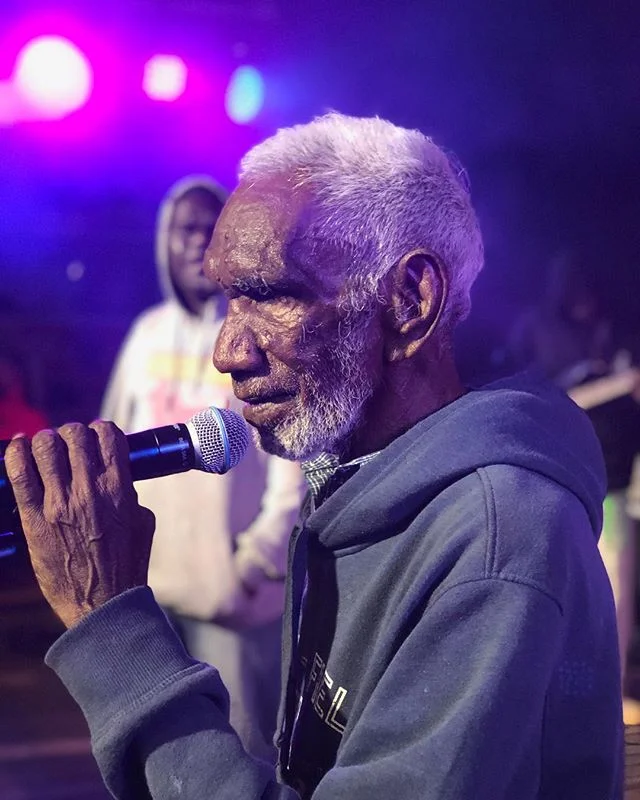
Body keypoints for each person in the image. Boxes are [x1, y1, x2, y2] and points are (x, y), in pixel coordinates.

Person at [5, 113, 623, 799]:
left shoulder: (497, 544)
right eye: (230, 298)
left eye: (270, 295)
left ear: (409, 300)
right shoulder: (355, 479)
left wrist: (112, 628)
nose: (227, 353)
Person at [100, 175, 304, 760]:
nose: (196, 241)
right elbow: (111, 442)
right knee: (160, 749)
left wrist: (253, 563)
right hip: (149, 594)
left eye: (210, 229)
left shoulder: (253, 337)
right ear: (163, 241)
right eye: (184, 229)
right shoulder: (146, 336)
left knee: (239, 752)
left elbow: (292, 465)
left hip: (232, 604)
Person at [508, 251, 640, 721]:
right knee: (567, 592)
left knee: (616, 588)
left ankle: (607, 695)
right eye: (577, 291)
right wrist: (612, 384)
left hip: (613, 481)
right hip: (561, 482)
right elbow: (539, 397)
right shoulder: (540, 333)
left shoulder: (614, 331)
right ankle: (565, 698)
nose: (586, 301)